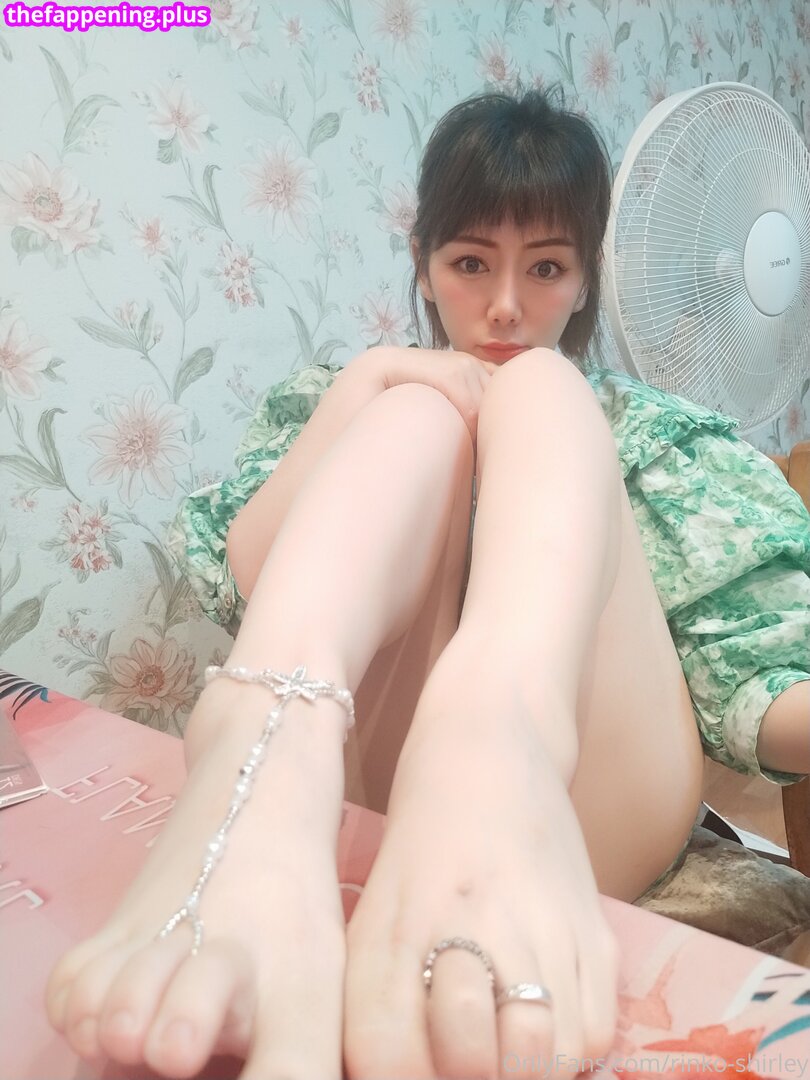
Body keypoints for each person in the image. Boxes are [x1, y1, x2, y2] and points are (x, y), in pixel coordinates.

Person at [45, 86, 810, 1080]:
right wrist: (369, 385)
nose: (505, 305)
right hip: (381, 784)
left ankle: (496, 748)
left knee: (542, 389)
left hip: (592, 805)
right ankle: (261, 749)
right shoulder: (344, 404)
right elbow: (247, 584)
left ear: (586, 278)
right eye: (470, 264)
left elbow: (753, 673)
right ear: (424, 264)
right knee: (418, 415)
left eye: (545, 268)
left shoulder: (658, 439)